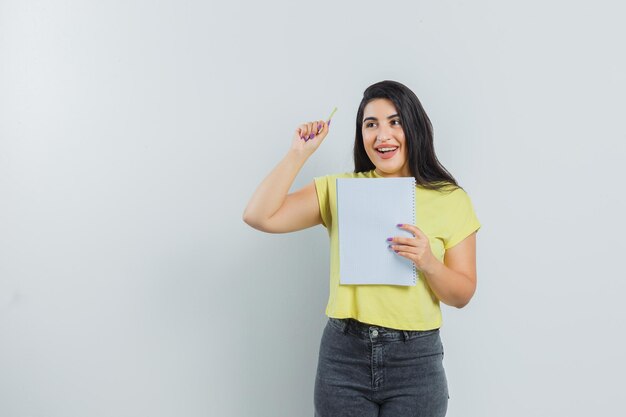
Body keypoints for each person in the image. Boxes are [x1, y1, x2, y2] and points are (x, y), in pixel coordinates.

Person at [243, 80, 481, 417]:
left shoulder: (451, 200)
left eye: (394, 122)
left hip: (415, 360)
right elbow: (258, 216)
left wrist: (428, 262)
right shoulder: (340, 190)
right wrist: (298, 153)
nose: (382, 135)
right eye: (371, 125)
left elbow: (462, 294)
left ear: (415, 127)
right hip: (344, 356)